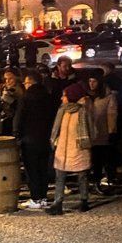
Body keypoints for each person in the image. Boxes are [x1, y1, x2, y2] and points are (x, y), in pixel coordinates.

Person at [46, 83, 95, 215]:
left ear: (72, 96)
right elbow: (57, 128)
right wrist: (55, 141)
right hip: (63, 149)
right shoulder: (62, 110)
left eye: (65, 95)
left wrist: (87, 143)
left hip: (79, 149)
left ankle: (84, 200)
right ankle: (57, 203)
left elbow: (91, 130)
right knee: (60, 176)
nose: (62, 98)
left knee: (82, 176)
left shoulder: (83, 111)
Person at [13, 70, 55, 209]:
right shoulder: (48, 97)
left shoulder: (26, 98)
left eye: (25, 83)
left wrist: (17, 135)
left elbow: (19, 119)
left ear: (30, 82)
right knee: (43, 168)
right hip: (45, 138)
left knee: (32, 170)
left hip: (29, 139)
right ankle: (43, 197)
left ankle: (35, 198)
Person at [85, 69, 118, 195]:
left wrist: (111, 132)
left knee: (102, 158)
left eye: (94, 81)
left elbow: (111, 115)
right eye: (90, 81)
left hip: (102, 133)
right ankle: (93, 181)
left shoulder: (109, 97)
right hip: (90, 133)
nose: (91, 84)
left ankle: (103, 180)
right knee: (92, 159)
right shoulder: (87, 97)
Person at [0, 69, 24, 136]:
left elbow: (19, 109)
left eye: (11, 78)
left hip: (14, 126)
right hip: (3, 124)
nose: (8, 81)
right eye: (6, 79)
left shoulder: (20, 91)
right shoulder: (3, 91)